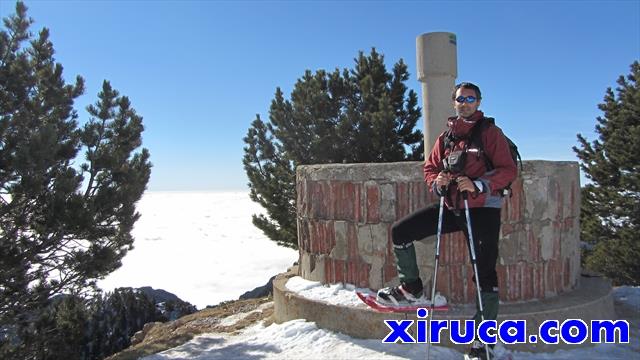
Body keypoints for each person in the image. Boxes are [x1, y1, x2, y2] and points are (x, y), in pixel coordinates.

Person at [376, 82, 518, 359]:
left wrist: (477, 184)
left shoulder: (490, 133)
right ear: (453, 102)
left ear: (478, 102)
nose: (465, 102)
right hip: (452, 206)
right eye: (460, 98)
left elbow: (507, 169)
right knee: (401, 232)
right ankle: (412, 287)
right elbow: (430, 167)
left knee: (484, 271)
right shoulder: (447, 137)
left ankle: (483, 340)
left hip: (482, 208)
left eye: (470, 98)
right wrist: (437, 182)